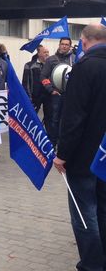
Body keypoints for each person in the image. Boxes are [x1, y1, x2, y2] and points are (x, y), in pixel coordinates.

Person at [54, 23, 106, 271]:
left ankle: (93, 264)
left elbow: (74, 118)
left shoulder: (84, 68)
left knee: (84, 213)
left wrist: (62, 155)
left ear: (84, 42)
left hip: (84, 157)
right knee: (103, 209)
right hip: (104, 156)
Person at [40, 37, 74, 146]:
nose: (64, 46)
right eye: (62, 44)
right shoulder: (51, 59)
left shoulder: (74, 59)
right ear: (59, 45)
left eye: (67, 44)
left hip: (70, 95)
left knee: (67, 120)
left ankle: (63, 145)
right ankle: (52, 144)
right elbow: (43, 76)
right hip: (56, 95)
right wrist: (51, 90)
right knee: (54, 120)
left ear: (70, 46)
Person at [22, 45, 51, 117]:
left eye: (48, 52)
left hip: (48, 95)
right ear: (39, 53)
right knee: (31, 117)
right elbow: (26, 83)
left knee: (49, 118)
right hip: (35, 97)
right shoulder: (29, 65)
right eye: (44, 52)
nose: (47, 54)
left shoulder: (51, 65)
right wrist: (29, 98)